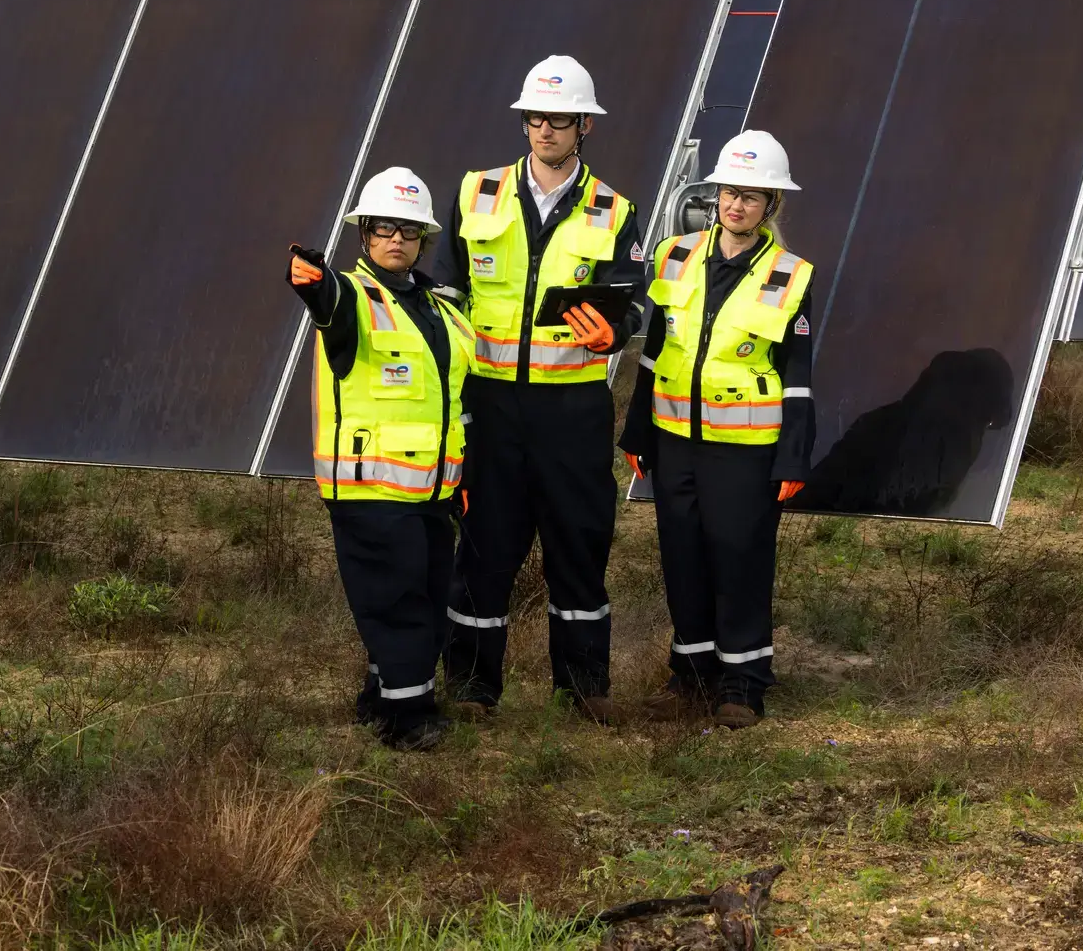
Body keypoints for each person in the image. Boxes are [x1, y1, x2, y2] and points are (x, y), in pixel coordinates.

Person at [428, 56, 645, 724]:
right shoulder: (475, 194)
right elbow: (443, 300)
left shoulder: (615, 211)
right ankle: (471, 691)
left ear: (585, 126)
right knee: (485, 549)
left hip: (572, 410)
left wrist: (615, 332)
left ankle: (583, 691)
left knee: (579, 547)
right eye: (533, 118)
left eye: (557, 119)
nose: (543, 130)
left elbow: (635, 309)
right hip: (491, 406)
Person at [618, 130, 815, 729]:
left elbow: (797, 375)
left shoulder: (792, 274)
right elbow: (654, 351)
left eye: (752, 197)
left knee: (740, 558)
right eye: (730, 193)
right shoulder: (674, 255)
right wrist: (636, 432)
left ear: (770, 207)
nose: (738, 206)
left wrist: (791, 458)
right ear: (715, 197)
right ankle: (690, 676)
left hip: (747, 449)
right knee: (682, 557)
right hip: (674, 438)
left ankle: (744, 682)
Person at [289, 167, 474, 751]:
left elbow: (456, 401)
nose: (397, 239)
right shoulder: (351, 297)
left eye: (409, 231)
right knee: (396, 606)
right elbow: (328, 302)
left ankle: (380, 696)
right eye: (384, 228)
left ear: (424, 240)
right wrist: (313, 284)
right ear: (364, 234)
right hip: (369, 489)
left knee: (424, 597)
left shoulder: (442, 309)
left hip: (431, 491)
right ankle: (408, 718)